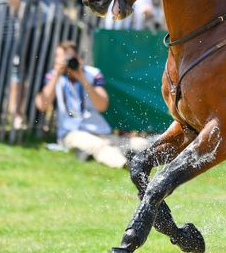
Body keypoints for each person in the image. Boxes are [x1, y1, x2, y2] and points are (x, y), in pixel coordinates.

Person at [35, 40, 146, 168]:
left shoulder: (92, 74)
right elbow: (42, 105)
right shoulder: (53, 77)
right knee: (97, 145)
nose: (66, 61)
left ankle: (133, 155)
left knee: (138, 143)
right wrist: (56, 75)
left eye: (69, 57)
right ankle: (126, 165)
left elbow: (102, 105)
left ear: (77, 57)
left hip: (98, 129)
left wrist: (81, 77)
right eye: (62, 57)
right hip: (72, 132)